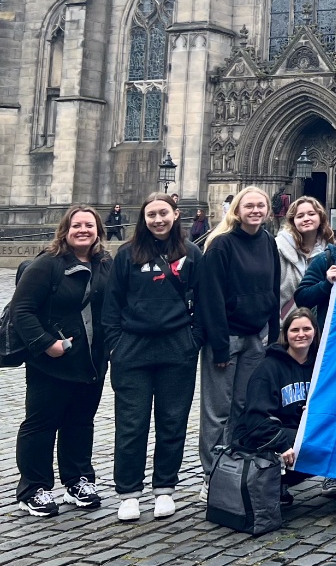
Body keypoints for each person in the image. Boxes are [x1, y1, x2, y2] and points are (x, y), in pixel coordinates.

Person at [101, 193, 203, 522]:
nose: (157, 220)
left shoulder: (192, 254)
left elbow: (204, 301)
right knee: (132, 424)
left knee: (172, 422)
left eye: (163, 213)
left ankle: (165, 488)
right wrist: (116, 345)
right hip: (133, 349)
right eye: (151, 215)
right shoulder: (127, 254)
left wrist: (194, 341)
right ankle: (129, 492)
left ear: (176, 214)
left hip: (177, 348)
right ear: (143, 219)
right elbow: (112, 304)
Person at [11, 206, 112, 517]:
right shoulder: (47, 264)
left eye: (89, 225)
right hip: (51, 361)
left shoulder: (105, 264)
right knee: (41, 424)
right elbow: (22, 310)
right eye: (77, 225)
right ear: (65, 229)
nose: (83, 230)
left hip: (92, 361)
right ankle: (33, 488)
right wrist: (45, 344)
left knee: (80, 423)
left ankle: (78, 481)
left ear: (98, 231)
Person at [198, 186, 281, 499]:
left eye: (261, 205)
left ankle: (234, 469)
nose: (255, 210)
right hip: (228, 338)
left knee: (245, 408)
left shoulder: (268, 242)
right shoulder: (221, 245)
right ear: (237, 209)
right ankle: (211, 475)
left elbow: (273, 289)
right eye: (250, 206)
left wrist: (273, 334)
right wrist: (219, 344)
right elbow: (212, 297)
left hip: (256, 338)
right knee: (217, 411)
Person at [233, 307, 318, 507]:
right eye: (294, 330)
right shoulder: (268, 368)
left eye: (306, 329)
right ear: (285, 334)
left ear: (315, 331)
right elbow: (255, 419)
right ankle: (271, 480)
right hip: (260, 436)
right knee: (305, 442)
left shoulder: (319, 367)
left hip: (298, 431)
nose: (301, 334)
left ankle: (279, 482)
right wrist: (280, 443)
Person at [276, 196, 334, 318]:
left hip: (319, 322)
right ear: (293, 221)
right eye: (300, 216)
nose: (306, 219)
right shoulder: (279, 247)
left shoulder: (330, 251)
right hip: (285, 321)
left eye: (311, 214)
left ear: (320, 217)